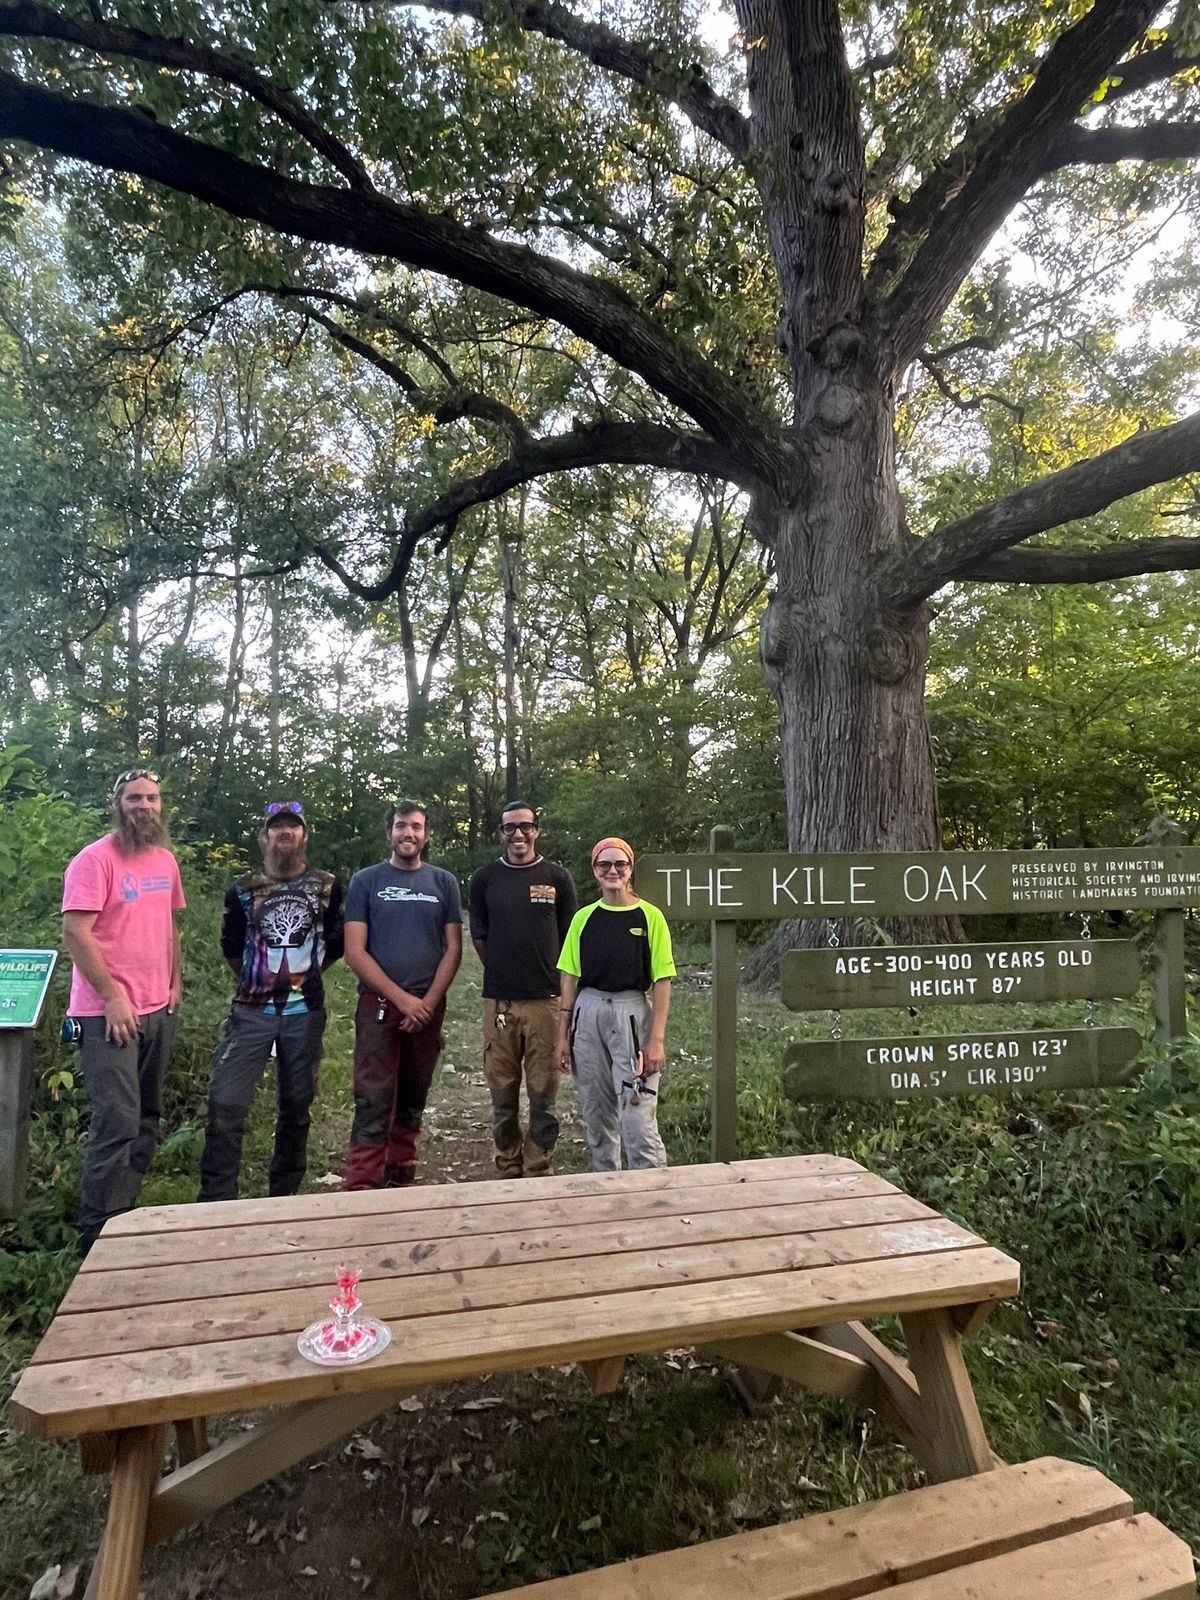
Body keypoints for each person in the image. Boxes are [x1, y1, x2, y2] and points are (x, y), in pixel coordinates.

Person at [61, 768, 185, 1252]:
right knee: (117, 1122)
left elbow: (169, 926)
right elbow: (76, 932)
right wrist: (113, 997)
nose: (145, 806)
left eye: (152, 798)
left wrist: (175, 982)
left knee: (148, 1117)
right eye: (135, 798)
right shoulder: (94, 861)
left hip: (159, 1009)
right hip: (107, 1014)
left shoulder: (165, 861)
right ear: (118, 803)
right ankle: (95, 1236)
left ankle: (124, 1217)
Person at [197, 801, 344, 1202]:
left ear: (304, 835)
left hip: (305, 1013)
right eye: (276, 827)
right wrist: (257, 982)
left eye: (292, 827)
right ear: (264, 836)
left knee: (297, 1105)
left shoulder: (327, 886)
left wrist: (304, 979)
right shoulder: (243, 890)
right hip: (250, 1013)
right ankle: (216, 1200)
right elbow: (230, 948)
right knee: (225, 1104)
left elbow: (337, 944)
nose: (285, 833)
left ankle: (283, 1196)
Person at [342, 802, 463, 1189]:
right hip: (378, 1005)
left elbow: (454, 949)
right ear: (389, 833)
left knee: (413, 1091)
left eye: (415, 827)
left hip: (427, 1009)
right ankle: (363, 1182)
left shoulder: (443, 882)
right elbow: (354, 951)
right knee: (373, 1096)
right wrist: (402, 999)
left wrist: (426, 1003)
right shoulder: (366, 881)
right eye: (400, 826)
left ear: (426, 835)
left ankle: (400, 1171)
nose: (408, 833)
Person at [468, 801, 578, 1178]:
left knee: (543, 1092)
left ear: (537, 830)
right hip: (499, 1001)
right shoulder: (484, 879)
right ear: (500, 833)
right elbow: (479, 937)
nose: (518, 834)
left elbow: (570, 939)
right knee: (502, 1092)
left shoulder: (557, 878)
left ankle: (538, 1162)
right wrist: (503, 971)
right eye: (510, 828)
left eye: (525, 827)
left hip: (547, 1000)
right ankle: (509, 1161)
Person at [556, 837, 674, 1171]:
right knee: (597, 1113)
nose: (612, 871)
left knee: (637, 1115)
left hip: (632, 1015)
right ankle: (606, 1187)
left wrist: (656, 1040)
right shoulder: (583, 919)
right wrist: (562, 1036)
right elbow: (569, 978)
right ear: (594, 870)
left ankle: (652, 1190)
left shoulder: (650, 917)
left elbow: (663, 979)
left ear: (630, 868)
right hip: (588, 1012)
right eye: (604, 864)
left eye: (619, 864)